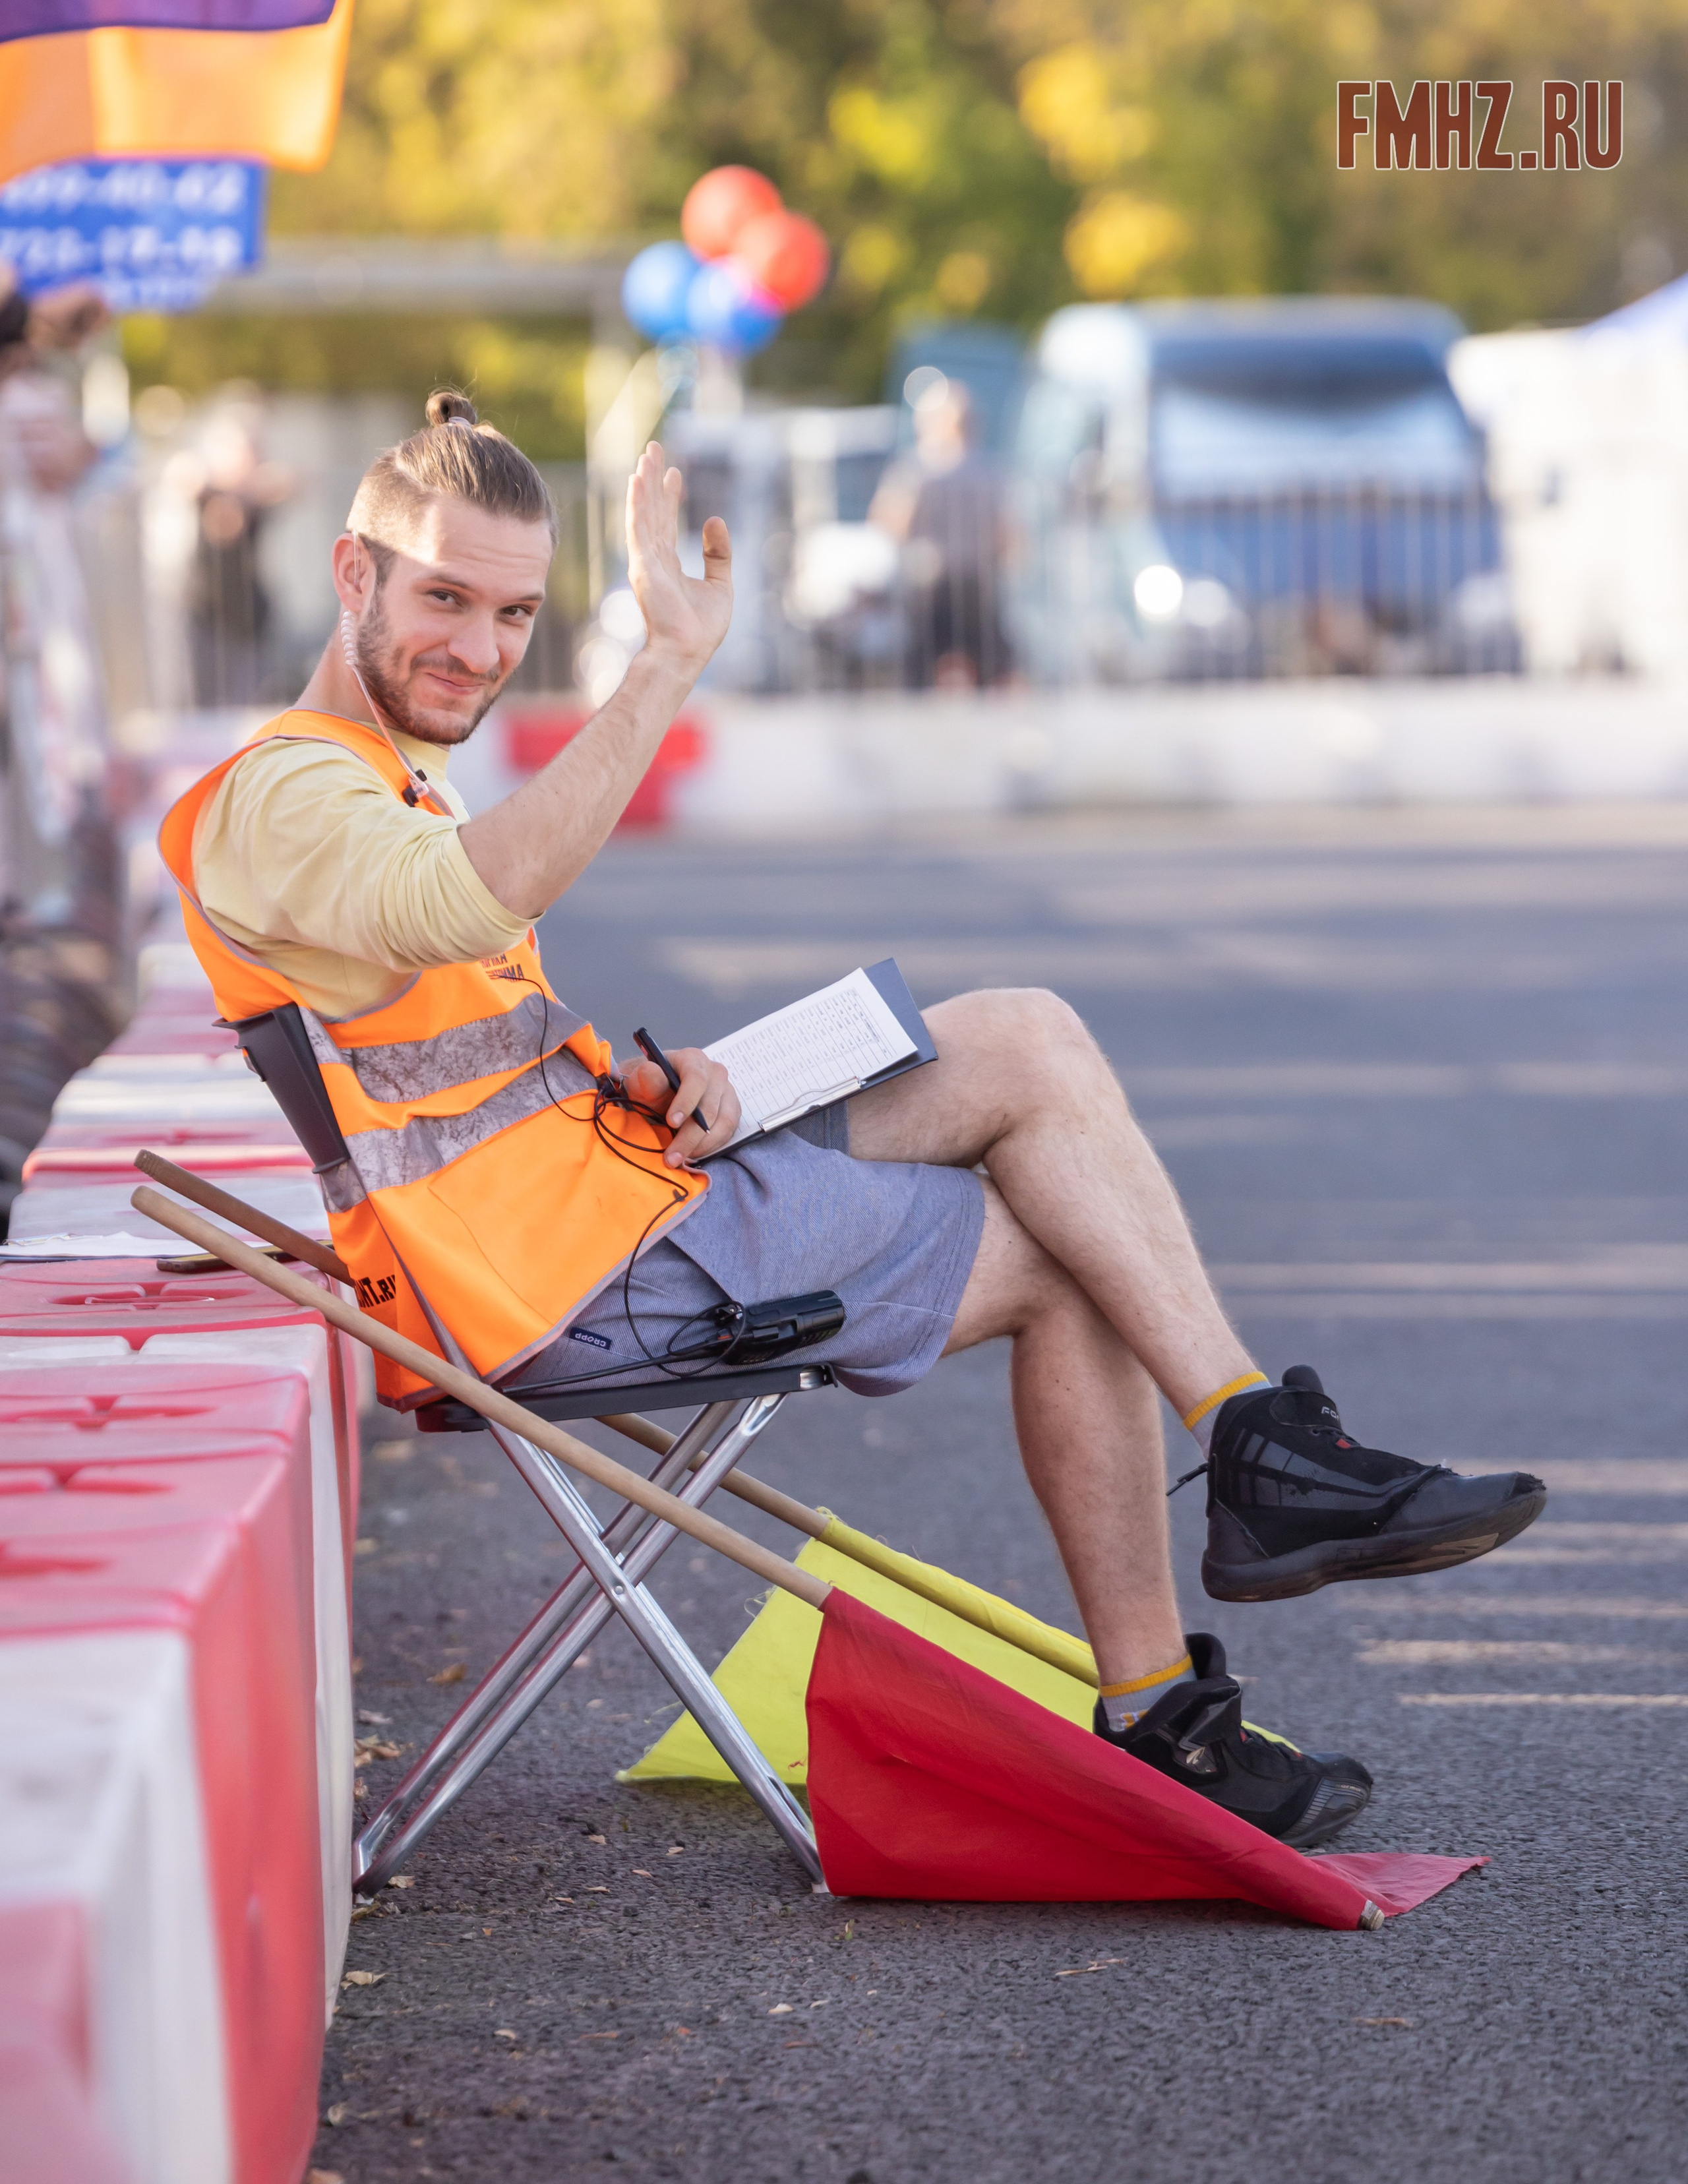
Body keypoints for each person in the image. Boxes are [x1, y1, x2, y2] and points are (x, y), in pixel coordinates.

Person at [163, 392, 1546, 1853]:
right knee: (1077, 1246)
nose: (482, 650)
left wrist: (650, 1079)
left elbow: (450, 1035)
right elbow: (464, 901)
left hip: (614, 1187)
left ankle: (1257, 1445)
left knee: (1024, 1032)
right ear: (350, 574)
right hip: (557, 1284)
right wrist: (665, 664)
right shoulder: (291, 791)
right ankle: (1173, 1671)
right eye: (446, 597)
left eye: (513, 614)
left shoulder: (381, 775)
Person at [870, 375, 1011, 688]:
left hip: (928, 578)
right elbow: (1006, 532)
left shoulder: (916, 468)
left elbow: (891, 522)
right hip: (978, 577)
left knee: (921, 664)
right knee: (992, 663)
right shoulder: (988, 469)